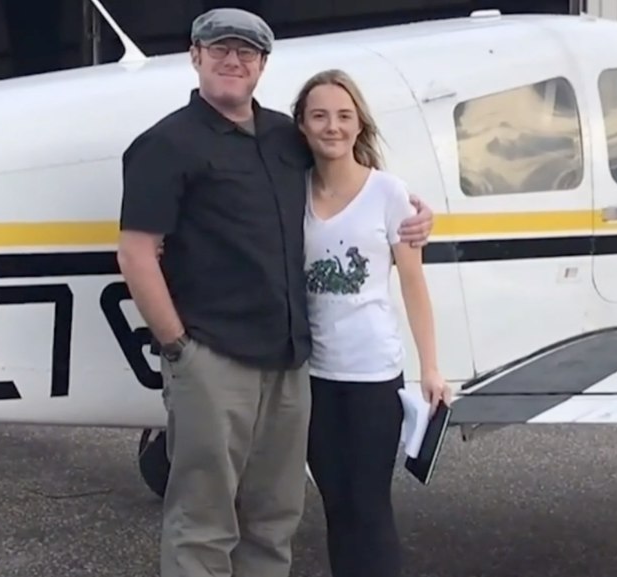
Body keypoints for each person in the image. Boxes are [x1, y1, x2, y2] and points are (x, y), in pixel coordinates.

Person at [115, 8, 434, 577]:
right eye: (220, 49)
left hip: (289, 363)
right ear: (195, 56)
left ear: (262, 65)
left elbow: (349, 178)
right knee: (204, 522)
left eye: (246, 52)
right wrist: (179, 349)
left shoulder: (287, 138)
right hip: (213, 359)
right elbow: (137, 253)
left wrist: (412, 213)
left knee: (274, 518)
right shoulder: (165, 144)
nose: (233, 61)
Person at [292, 68, 451, 577]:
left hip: (372, 377)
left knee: (369, 507)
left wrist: (431, 367)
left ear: (359, 125)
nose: (332, 126)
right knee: (337, 509)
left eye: (343, 116)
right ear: (301, 127)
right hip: (315, 377)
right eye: (319, 116)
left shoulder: (388, 193)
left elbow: (412, 282)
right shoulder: (290, 194)